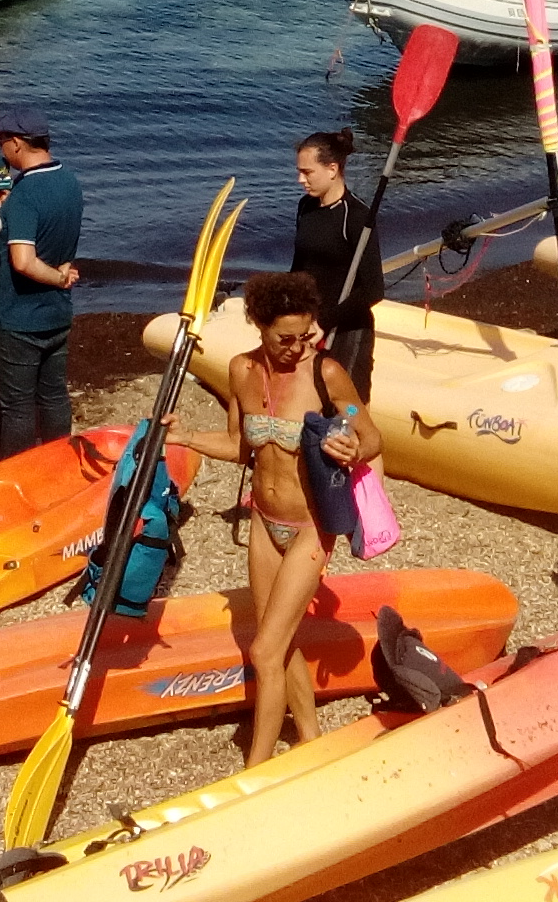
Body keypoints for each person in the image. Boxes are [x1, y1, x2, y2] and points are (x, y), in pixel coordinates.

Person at [181, 271, 380, 767]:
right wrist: (184, 438)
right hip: (262, 522)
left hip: (311, 527)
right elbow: (238, 445)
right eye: (284, 338)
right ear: (257, 325)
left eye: (305, 335)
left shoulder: (328, 374)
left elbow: (370, 432)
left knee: (264, 652)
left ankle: (257, 769)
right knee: (279, 637)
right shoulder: (240, 371)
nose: (297, 347)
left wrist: (353, 446)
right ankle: (309, 735)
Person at [0, 108, 84, 455]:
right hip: (56, 314)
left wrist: (58, 278)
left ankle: (19, 472)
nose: (0, 151)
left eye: (2, 143)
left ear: (16, 144)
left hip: (18, 317)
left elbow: (23, 261)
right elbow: (59, 238)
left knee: (17, 405)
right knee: (54, 394)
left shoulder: (26, 193)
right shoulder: (69, 181)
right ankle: (58, 460)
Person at [289, 131, 382, 401]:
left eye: (307, 172)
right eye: (299, 172)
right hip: (309, 325)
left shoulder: (357, 217)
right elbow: (299, 268)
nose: (301, 180)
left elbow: (374, 289)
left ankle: (357, 436)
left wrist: (326, 322)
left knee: (349, 405)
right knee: (310, 400)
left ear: (332, 169)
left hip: (347, 328)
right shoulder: (305, 207)